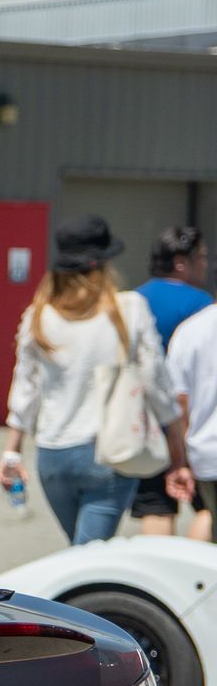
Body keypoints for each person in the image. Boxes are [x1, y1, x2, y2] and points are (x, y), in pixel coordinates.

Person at [1, 215, 195, 546]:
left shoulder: (39, 314)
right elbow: (157, 385)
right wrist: (178, 455)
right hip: (106, 452)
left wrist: (11, 452)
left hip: (51, 456)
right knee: (88, 557)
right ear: (104, 262)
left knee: (80, 552)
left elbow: (25, 388)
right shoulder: (128, 308)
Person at [133, 225, 211, 539]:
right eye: (202, 257)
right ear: (182, 261)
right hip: (188, 423)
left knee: (156, 507)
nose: (207, 264)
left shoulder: (134, 300)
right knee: (207, 508)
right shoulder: (201, 306)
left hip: (144, 424)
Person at [165, 296, 217, 551]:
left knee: (208, 515)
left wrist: (182, 457)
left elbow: (179, 400)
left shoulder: (191, 329)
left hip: (205, 452)